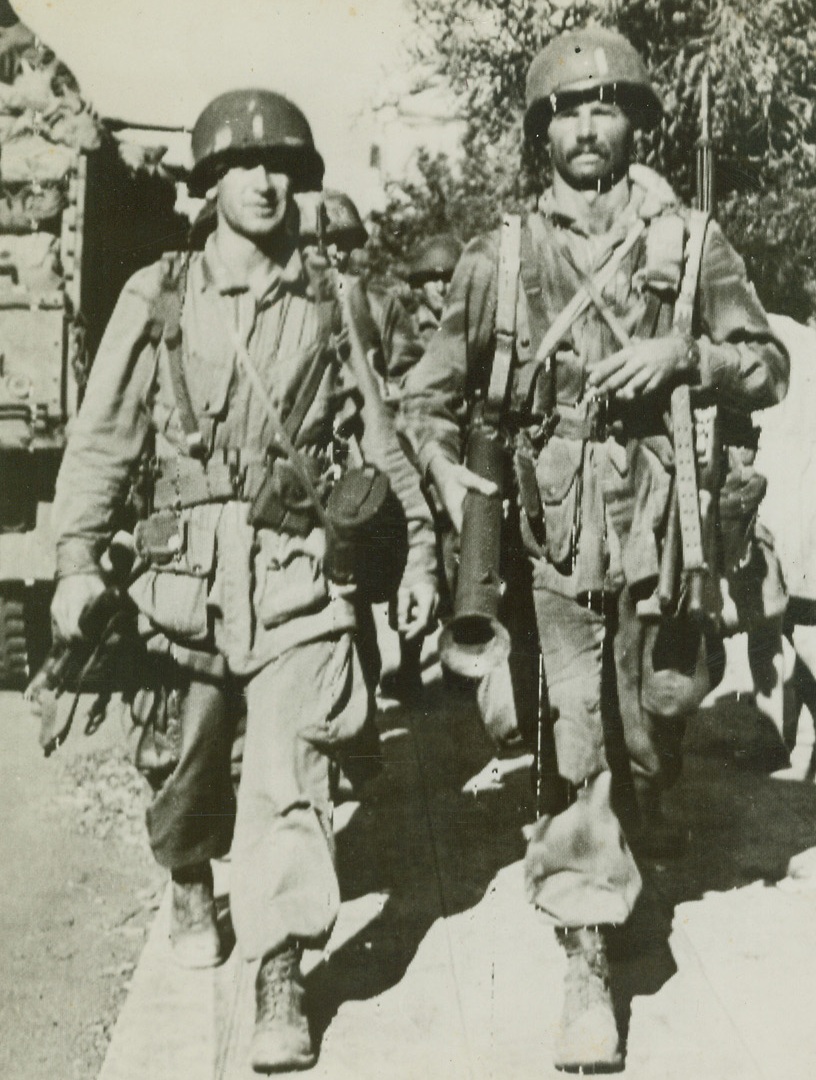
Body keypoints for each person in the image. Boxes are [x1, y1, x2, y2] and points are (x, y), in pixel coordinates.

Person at [399, 28, 788, 1073]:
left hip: (667, 528)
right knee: (576, 736)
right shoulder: (503, 255)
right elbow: (424, 399)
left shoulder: (694, 242)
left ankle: (642, 797)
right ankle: (587, 958)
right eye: (567, 110)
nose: (586, 127)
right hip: (553, 532)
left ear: (635, 124)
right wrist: (450, 480)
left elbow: (768, 365)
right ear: (543, 133)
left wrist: (686, 354)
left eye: (607, 107)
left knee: (655, 719)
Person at [49, 88, 436, 1074]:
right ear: (209, 182)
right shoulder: (159, 294)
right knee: (183, 771)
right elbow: (100, 442)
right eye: (244, 165)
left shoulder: (335, 299)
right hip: (182, 573)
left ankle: (280, 971)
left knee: (287, 777)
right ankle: (186, 872)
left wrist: (422, 551)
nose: (265, 182)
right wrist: (76, 558)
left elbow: (381, 443)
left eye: (284, 167)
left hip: (299, 573)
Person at [403, 232, 463, 347]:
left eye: (448, 278)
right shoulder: (407, 329)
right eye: (433, 278)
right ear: (421, 282)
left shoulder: (469, 330)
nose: (441, 289)